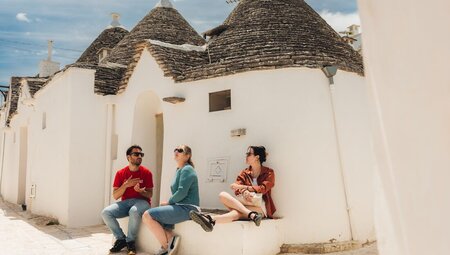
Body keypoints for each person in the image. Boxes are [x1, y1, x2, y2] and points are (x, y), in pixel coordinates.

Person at [190, 146, 275, 232]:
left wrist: (244, 188)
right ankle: (251, 214)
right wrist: (244, 191)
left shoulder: (269, 172)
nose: (246, 156)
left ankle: (210, 219)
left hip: (260, 207)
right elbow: (236, 187)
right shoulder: (244, 173)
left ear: (257, 157)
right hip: (244, 204)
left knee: (236, 213)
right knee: (222, 195)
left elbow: (263, 188)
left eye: (249, 154)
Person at [142, 145, 200, 255]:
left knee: (147, 215)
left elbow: (182, 192)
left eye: (180, 150)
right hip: (180, 206)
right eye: (175, 150)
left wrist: (169, 202)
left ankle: (165, 247)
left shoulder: (187, 169)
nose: (177, 152)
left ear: (187, 156)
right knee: (158, 217)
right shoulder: (179, 170)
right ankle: (170, 239)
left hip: (188, 208)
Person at [101, 145, 153, 255]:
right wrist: (125, 185)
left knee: (134, 211)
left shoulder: (147, 173)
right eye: (136, 154)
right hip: (125, 203)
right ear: (128, 157)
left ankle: (130, 242)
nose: (139, 156)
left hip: (142, 202)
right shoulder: (120, 173)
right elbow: (115, 195)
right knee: (106, 212)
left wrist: (141, 191)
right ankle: (121, 239)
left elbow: (150, 194)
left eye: (141, 154)